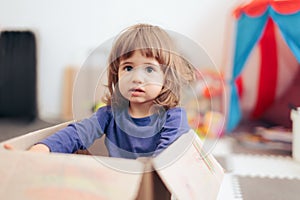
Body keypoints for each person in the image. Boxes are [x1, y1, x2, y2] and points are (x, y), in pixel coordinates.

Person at [5, 23, 195, 159]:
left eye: (149, 69)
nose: (136, 78)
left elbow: (166, 159)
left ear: (167, 78)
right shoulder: (109, 114)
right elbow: (76, 133)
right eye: (128, 68)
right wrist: (41, 149)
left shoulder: (174, 118)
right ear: (117, 75)